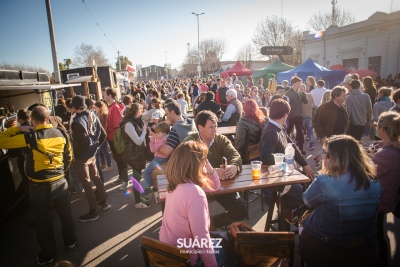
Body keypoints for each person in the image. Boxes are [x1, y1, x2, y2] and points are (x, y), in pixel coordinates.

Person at [0, 106, 77, 265]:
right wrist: (61, 173)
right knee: (66, 215)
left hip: (39, 186)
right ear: (48, 118)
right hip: (61, 181)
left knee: (43, 221)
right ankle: (71, 242)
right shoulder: (62, 133)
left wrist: (19, 127)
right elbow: (69, 156)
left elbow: (1, 139)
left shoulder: (30, 137)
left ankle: (49, 254)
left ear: (33, 121)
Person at [298, 135, 382, 267]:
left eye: (327, 154)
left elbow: (307, 201)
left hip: (328, 248)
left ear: (338, 158)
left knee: (303, 221)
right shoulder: (375, 182)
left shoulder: (324, 182)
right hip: (366, 249)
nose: (324, 157)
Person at [159, 141, 225, 267]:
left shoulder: (176, 184)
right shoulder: (195, 193)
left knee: (221, 239)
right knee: (230, 245)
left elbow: (215, 186)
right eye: (204, 160)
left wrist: (210, 170)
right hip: (188, 259)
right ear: (196, 164)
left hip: (169, 253)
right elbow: (202, 239)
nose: (205, 163)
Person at [184, 111, 247, 229]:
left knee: (241, 211)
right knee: (191, 218)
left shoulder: (220, 139)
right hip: (196, 186)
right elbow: (184, 166)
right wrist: (210, 172)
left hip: (219, 185)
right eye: (211, 127)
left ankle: (213, 222)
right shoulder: (189, 142)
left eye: (216, 126)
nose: (215, 130)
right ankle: (199, 228)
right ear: (200, 128)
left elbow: (235, 155)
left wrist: (234, 166)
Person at [260, 99, 314, 213]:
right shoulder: (271, 132)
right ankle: (290, 214)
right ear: (285, 115)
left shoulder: (277, 127)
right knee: (310, 198)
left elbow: (292, 146)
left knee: (314, 182)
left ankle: (290, 213)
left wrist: (304, 165)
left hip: (286, 174)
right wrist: (288, 160)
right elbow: (266, 156)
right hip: (278, 180)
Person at [70, 96, 109, 222]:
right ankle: (103, 202)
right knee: (96, 178)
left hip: (82, 156)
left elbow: (83, 142)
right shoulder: (92, 114)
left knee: (87, 183)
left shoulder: (77, 122)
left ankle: (93, 211)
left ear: (74, 108)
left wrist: (76, 157)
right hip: (92, 153)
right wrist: (96, 147)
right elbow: (103, 134)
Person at [372, 112, 400, 267]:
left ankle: (381, 262)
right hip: (388, 197)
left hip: (379, 200)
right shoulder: (392, 148)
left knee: (376, 236)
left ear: (382, 128)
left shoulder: (386, 154)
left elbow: (366, 172)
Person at [120, 102, 151, 208]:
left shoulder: (134, 122)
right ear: (137, 112)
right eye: (141, 111)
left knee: (137, 177)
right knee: (136, 178)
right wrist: (144, 131)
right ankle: (138, 202)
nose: (142, 113)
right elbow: (138, 141)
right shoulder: (129, 124)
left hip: (136, 153)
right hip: (133, 155)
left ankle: (138, 198)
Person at [104, 87, 128, 188]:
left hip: (115, 138)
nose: (103, 96)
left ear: (110, 95)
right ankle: (121, 178)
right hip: (112, 138)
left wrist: (114, 139)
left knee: (121, 159)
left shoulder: (115, 107)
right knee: (118, 159)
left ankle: (125, 180)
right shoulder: (111, 107)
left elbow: (118, 126)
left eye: (105, 95)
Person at [235, 99, 266, 164]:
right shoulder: (264, 119)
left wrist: (237, 157)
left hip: (249, 155)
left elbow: (240, 142)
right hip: (263, 152)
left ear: (244, 109)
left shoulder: (242, 123)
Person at [143, 121, 170, 191]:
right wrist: (156, 137)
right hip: (163, 158)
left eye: (158, 133)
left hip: (159, 159)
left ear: (164, 133)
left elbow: (152, 150)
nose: (157, 134)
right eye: (156, 132)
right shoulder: (164, 139)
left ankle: (148, 188)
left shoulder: (160, 141)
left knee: (146, 172)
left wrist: (152, 139)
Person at [285, 76, 308, 155]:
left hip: (299, 115)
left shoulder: (299, 92)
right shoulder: (288, 93)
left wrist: (303, 93)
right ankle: (284, 146)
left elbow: (305, 101)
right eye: (298, 83)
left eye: (300, 83)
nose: (299, 85)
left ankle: (301, 148)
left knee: (300, 132)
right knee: (287, 132)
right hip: (291, 116)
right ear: (294, 83)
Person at [94, 101, 113, 171]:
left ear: (100, 108)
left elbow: (105, 126)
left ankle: (109, 165)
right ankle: (103, 164)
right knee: (102, 150)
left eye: (96, 108)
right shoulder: (99, 114)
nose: (95, 109)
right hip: (101, 134)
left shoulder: (104, 115)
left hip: (103, 135)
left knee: (105, 150)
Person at [301, 84, 315, 150]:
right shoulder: (310, 95)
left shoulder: (300, 95)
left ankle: (299, 142)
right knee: (310, 130)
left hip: (303, 115)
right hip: (309, 114)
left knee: (300, 130)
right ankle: (312, 144)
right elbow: (312, 104)